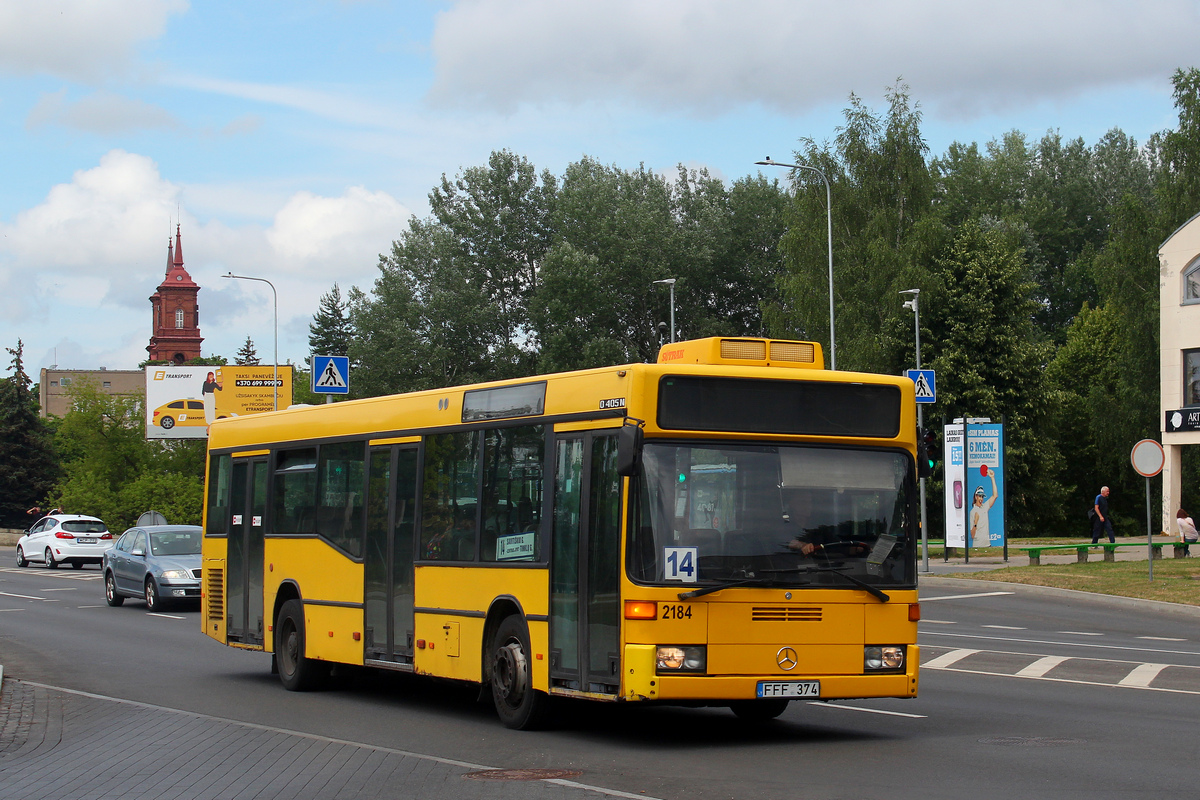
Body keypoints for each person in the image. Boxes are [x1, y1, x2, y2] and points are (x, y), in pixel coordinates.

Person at [969, 467, 999, 547]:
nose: (981, 498)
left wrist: (992, 478)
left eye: (982, 496)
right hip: (977, 546)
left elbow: (995, 495)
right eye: (979, 496)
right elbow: (972, 535)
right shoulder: (972, 512)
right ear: (976, 497)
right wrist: (975, 522)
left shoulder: (985, 507)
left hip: (988, 544)